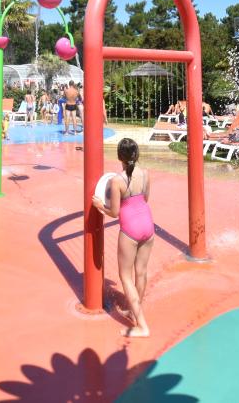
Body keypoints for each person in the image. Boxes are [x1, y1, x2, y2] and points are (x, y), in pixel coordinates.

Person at [92, 138, 154, 338]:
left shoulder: (116, 181)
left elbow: (114, 212)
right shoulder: (146, 174)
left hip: (130, 230)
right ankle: (134, 311)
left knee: (126, 277)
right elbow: (145, 199)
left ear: (120, 157)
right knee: (141, 273)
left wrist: (100, 205)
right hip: (148, 225)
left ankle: (142, 326)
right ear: (137, 154)